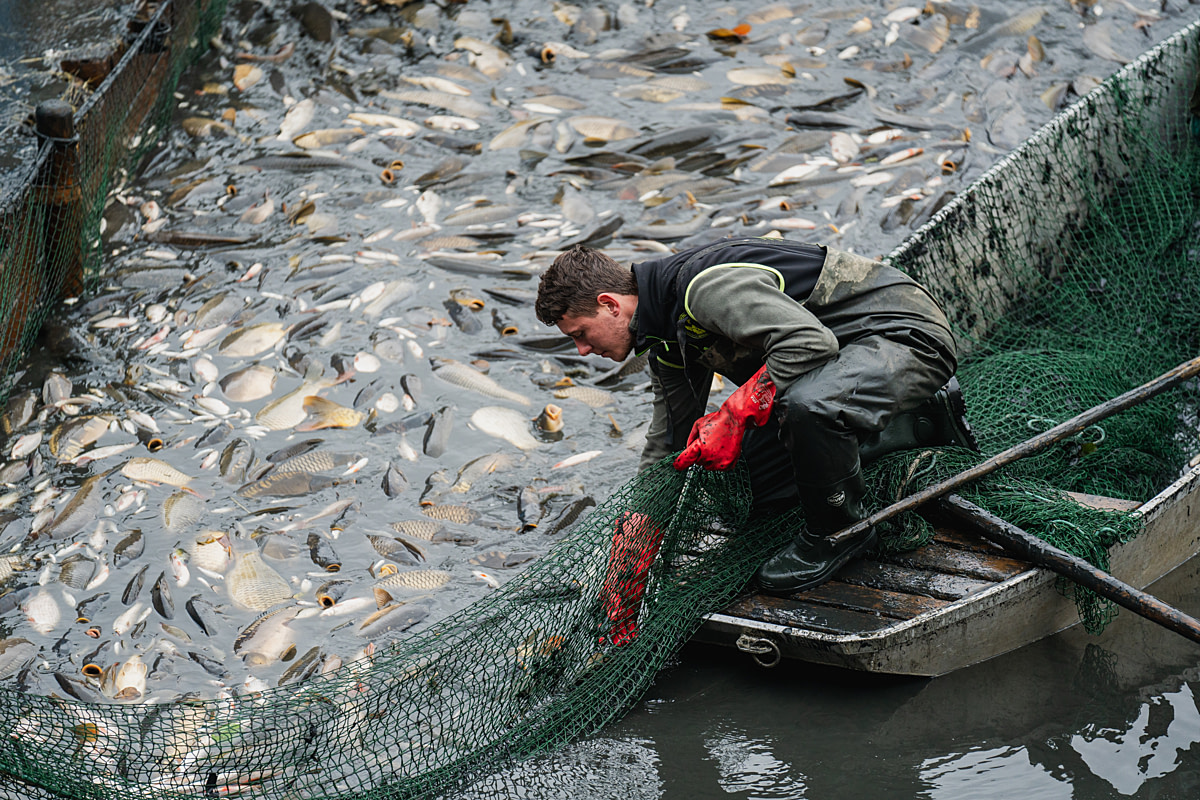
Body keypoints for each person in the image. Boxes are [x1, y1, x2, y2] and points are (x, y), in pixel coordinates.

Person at [534, 236, 977, 602]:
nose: (583, 352)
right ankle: (904, 423)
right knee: (754, 482)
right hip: (840, 365)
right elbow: (668, 440)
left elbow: (810, 344)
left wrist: (735, 410)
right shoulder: (662, 333)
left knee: (810, 406)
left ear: (610, 304)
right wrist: (635, 542)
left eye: (580, 334)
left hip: (904, 338)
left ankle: (842, 531)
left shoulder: (701, 289)